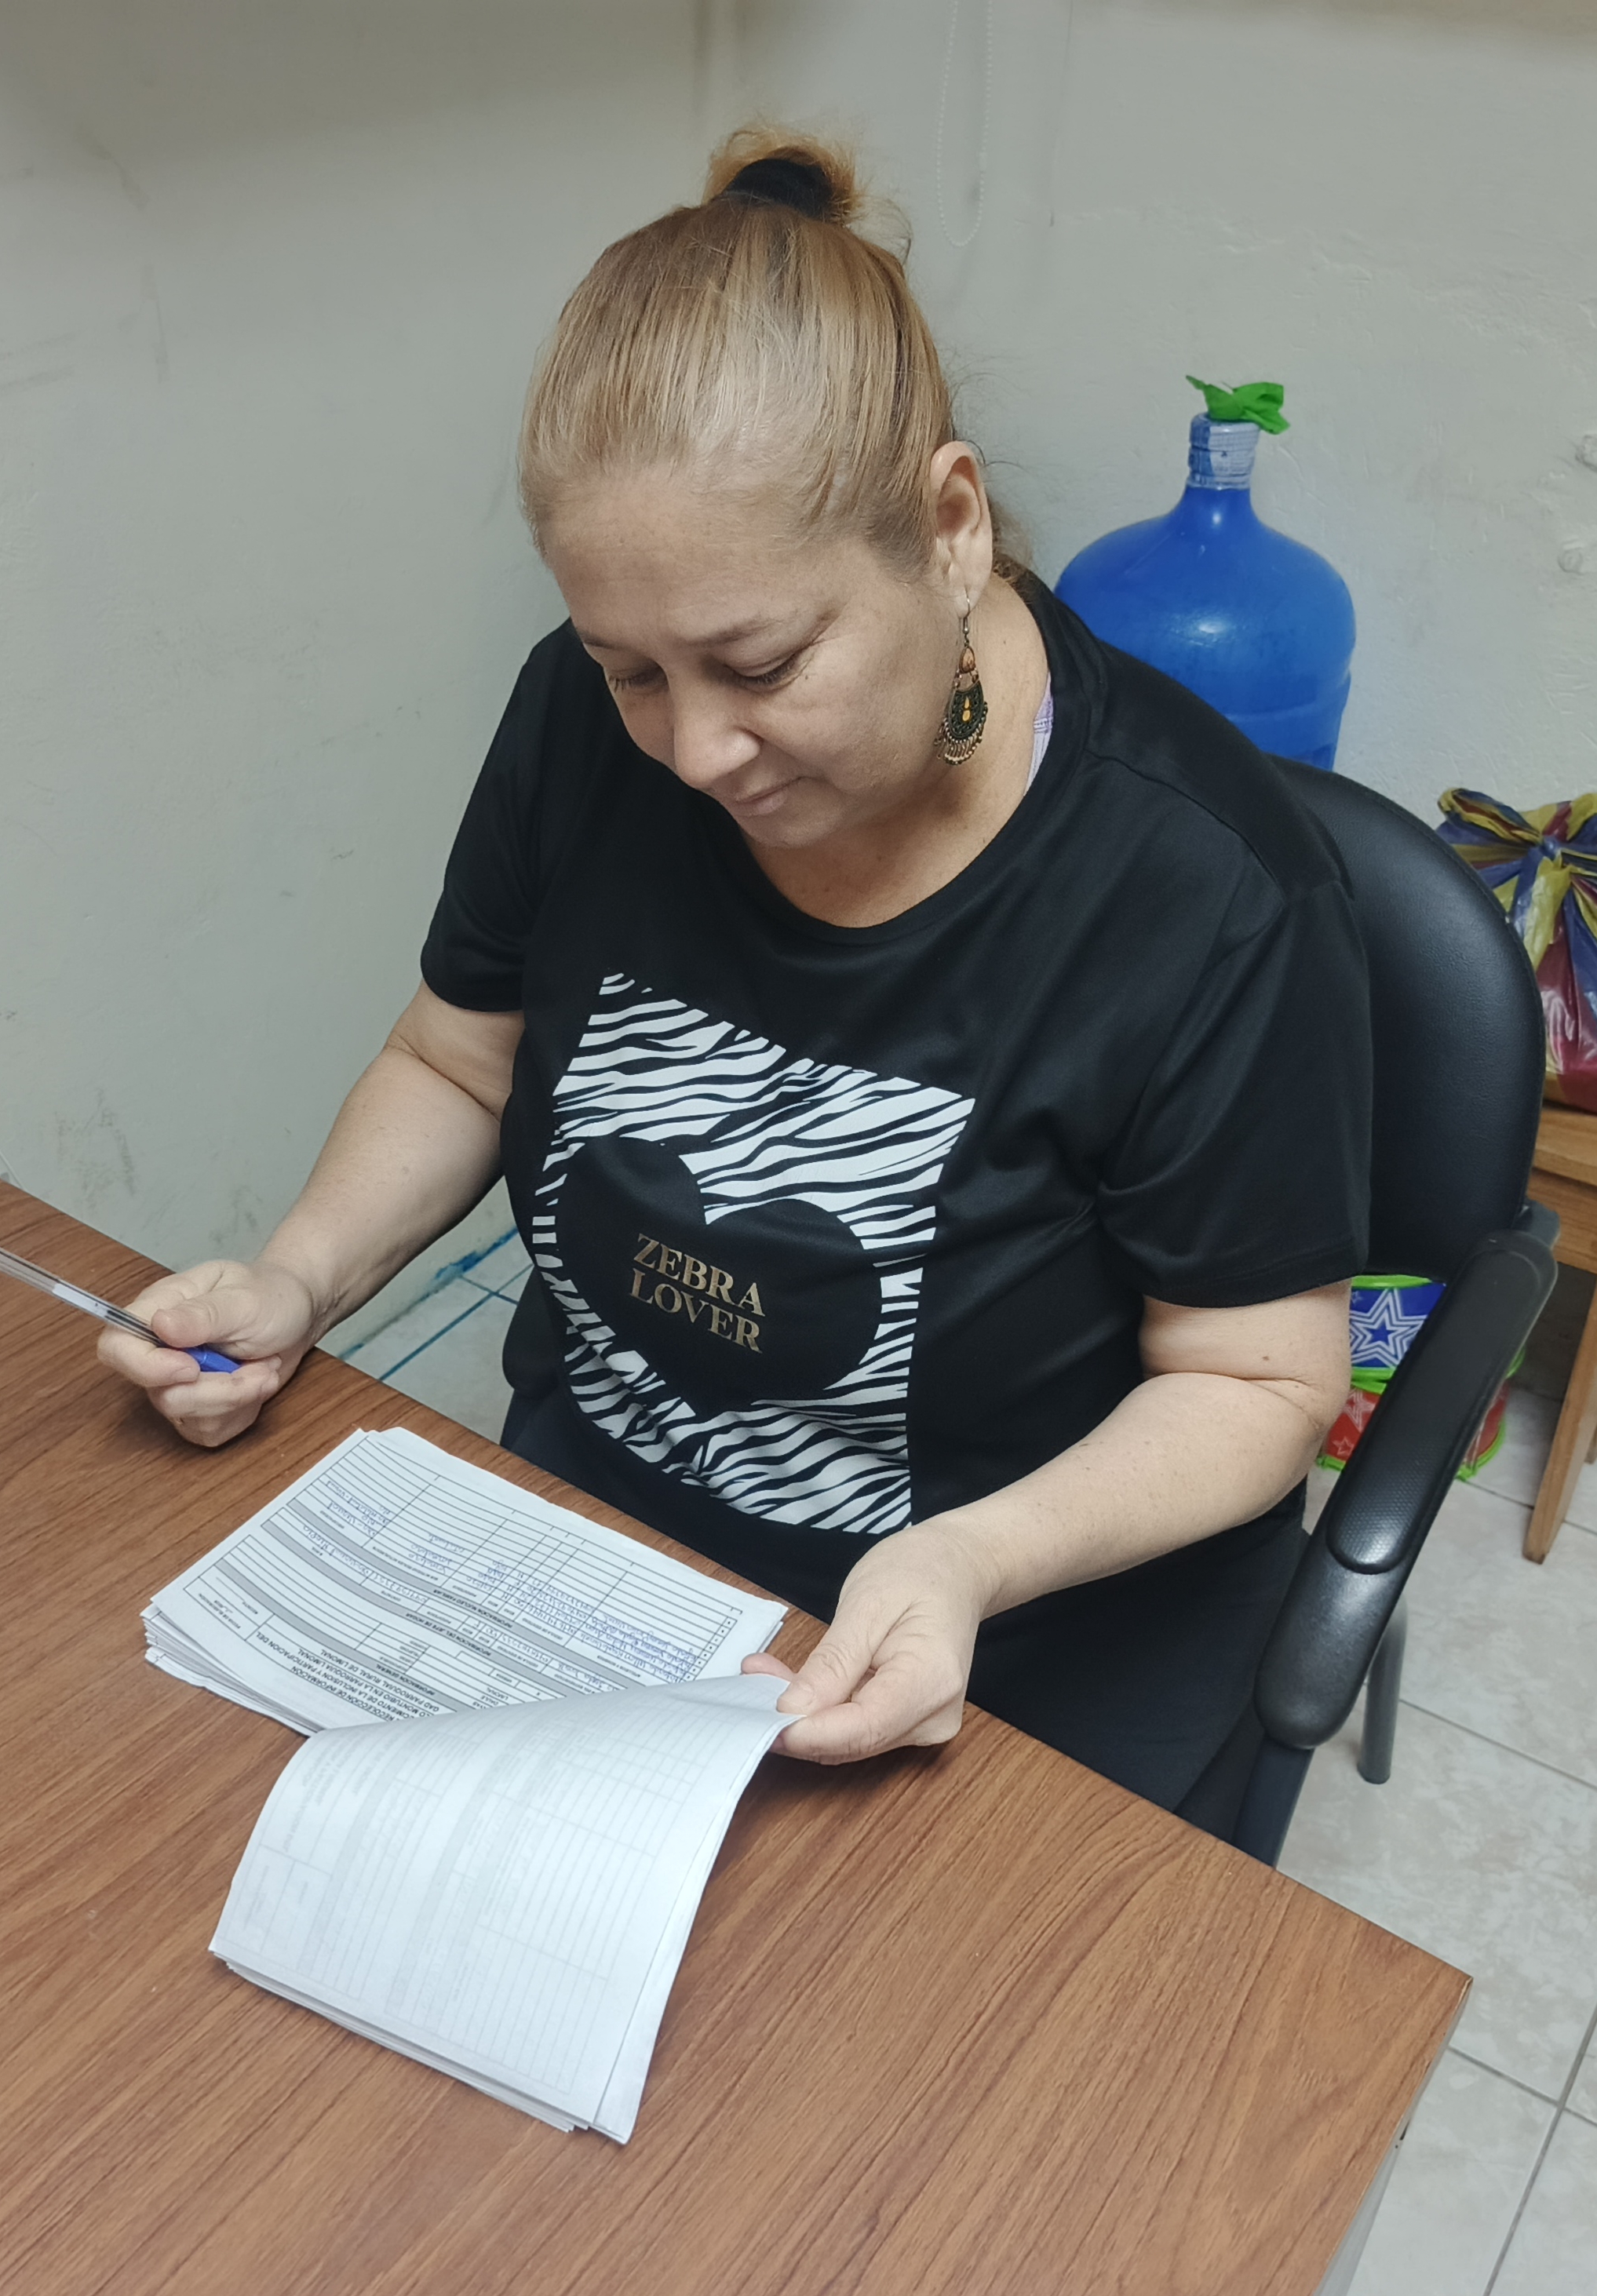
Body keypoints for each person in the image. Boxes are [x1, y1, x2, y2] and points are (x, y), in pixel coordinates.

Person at [100, 130, 1370, 1835]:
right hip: (604, 1557)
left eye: (760, 665)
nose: (694, 751)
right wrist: (296, 1278)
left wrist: (971, 1559)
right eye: (632, 672)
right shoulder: (579, 724)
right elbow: (462, 1059)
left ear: (949, 527)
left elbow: (1257, 1380)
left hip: (1001, 1631)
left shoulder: (1200, 891)